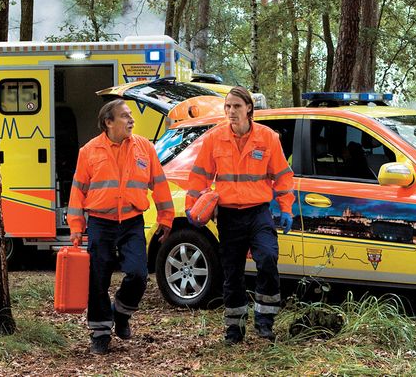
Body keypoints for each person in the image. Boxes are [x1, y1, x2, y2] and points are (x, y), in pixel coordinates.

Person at [185, 86, 295, 344]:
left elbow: (282, 176)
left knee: (267, 258)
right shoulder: (215, 139)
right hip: (229, 216)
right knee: (232, 272)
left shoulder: (267, 138)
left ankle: (265, 321)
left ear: (249, 109)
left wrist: (286, 208)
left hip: (258, 213)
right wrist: (192, 207)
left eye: (236, 106)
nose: (231, 111)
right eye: (228, 106)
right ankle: (234, 328)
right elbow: (199, 175)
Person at [67, 98, 173, 355]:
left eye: (130, 116)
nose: (131, 120)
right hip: (100, 223)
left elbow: (158, 183)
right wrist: (76, 225)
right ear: (109, 122)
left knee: (138, 274)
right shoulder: (89, 152)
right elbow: (78, 191)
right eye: (125, 116)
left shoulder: (144, 148)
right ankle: (100, 333)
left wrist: (166, 216)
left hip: (131, 221)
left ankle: (122, 313)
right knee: (98, 279)